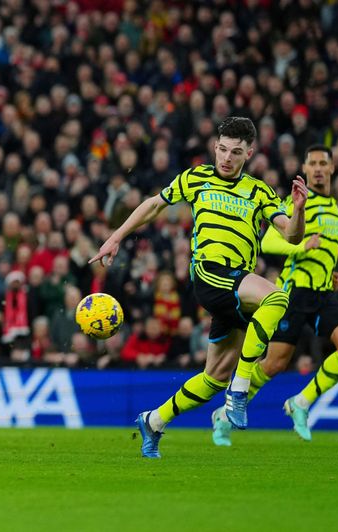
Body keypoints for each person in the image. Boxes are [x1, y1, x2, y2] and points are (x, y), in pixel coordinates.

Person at [91, 117, 308, 458]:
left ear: (248, 153)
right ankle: (239, 392)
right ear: (215, 146)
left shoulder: (259, 191)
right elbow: (154, 204)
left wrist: (299, 210)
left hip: (236, 287)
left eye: (236, 152)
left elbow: (292, 234)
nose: (226, 157)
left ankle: (154, 420)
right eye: (222, 149)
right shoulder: (197, 177)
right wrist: (115, 237)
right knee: (278, 297)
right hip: (209, 273)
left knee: (213, 378)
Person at [212, 145, 338, 445]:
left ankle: (301, 403)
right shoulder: (297, 203)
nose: (318, 168)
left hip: (321, 293)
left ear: (332, 169)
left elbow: (327, 249)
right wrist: (301, 247)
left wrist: (330, 272)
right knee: (274, 364)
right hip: (292, 292)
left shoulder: (335, 210)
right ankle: (225, 414)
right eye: (313, 164)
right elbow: (269, 241)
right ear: (304, 170)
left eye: (324, 163)